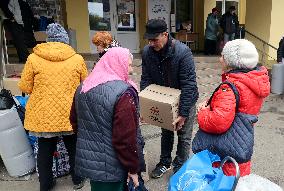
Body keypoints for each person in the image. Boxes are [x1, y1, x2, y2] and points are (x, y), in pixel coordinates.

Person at [18, 23, 88, 191]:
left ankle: (46, 184)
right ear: (66, 40)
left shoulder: (33, 58)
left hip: (43, 116)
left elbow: (25, 87)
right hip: (69, 114)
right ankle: (77, 180)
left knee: (44, 151)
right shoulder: (77, 58)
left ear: (48, 40)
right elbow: (85, 85)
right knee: (73, 147)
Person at [193, 39, 270, 177]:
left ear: (232, 61)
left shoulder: (231, 87)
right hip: (240, 144)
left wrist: (202, 111)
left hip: (224, 155)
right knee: (237, 181)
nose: (220, 59)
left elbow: (218, 122)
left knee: (222, 183)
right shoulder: (251, 81)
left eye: (223, 56)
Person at [74, 47, 146, 191]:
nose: (131, 70)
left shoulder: (83, 86)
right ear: (117, 64)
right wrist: (133, 169)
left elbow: (75, 121)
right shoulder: (123, 93)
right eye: (129, 65)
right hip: (115, 166)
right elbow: (125, 139)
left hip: (92, 163)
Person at [141, 19, 199, 178]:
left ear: (165, 35)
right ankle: (164, 162)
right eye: (149, 39)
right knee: (166, 132)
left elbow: (188, 84)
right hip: (165, 100)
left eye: (155, 39)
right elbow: (146, 79)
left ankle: (180, 167)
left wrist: (183, 113)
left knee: (184, 135)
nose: (151, 43)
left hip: (185, 98)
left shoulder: (182, 52)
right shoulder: (147, 52)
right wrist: (145, 105)